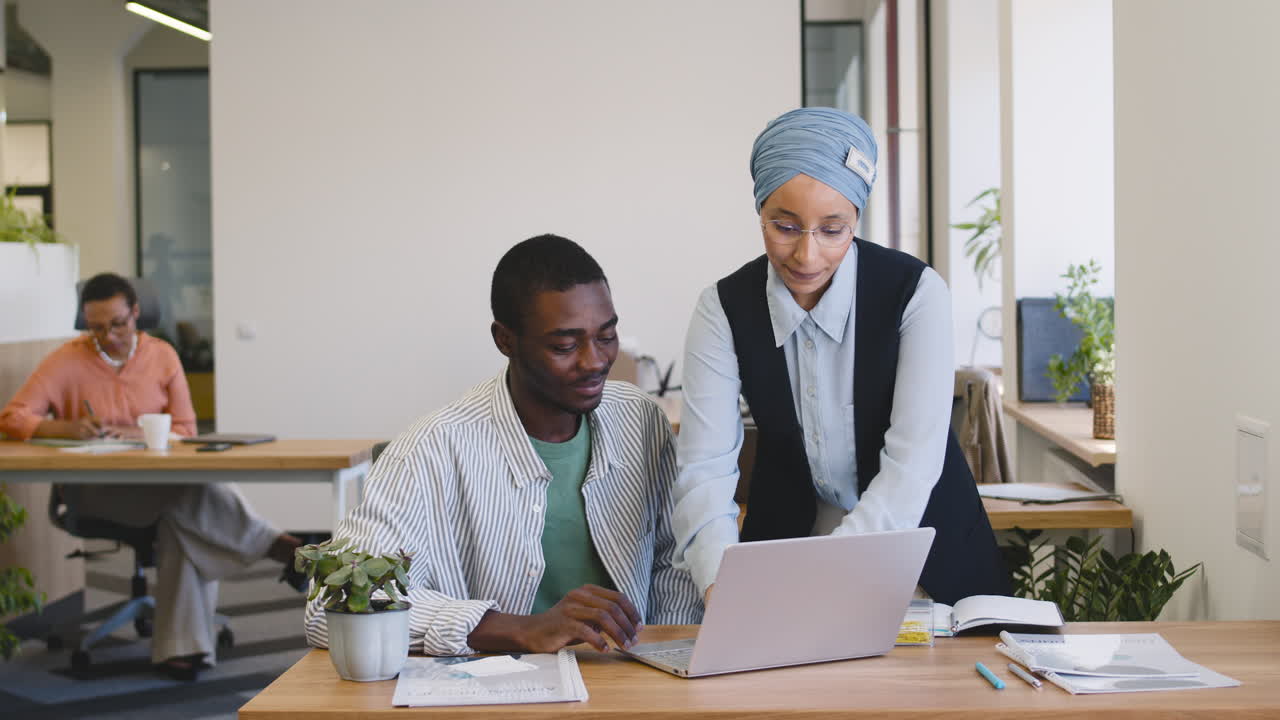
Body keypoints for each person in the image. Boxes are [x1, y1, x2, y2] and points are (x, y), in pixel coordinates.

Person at [671, 108, 1010, 606]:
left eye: (833, 230)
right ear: (760, 212)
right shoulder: (722, 308)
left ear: (857, 219)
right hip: (783, 555)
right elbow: (705, 468)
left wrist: (826, 581)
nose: (807, 256)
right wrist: (722, 586)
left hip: (926, 567)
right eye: (784, 226)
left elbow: (911, 466)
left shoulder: (915, 294)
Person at [303, 234, 702, 656]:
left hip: (626, 684)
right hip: (492, 694)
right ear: (505, 340)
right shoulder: (430, 450)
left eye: (606, 337)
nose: (595, 362)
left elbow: (671, 562)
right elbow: (334, 602)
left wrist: (666, 655)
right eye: (565, 346)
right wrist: (519, 629)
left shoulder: (641, 420)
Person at [0, 273, 306, 681]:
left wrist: (137, 433)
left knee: (180, 514)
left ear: (136, 314)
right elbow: (12, 417)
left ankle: (183, 650)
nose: (107, 336)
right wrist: (65, 428)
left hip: (162, 484)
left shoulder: (162, 356)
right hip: (96, 491)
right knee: (190, 499)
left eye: (117, 324)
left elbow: (186, 429)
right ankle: (280, 547)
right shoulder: (66, 360)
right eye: (95, 327)